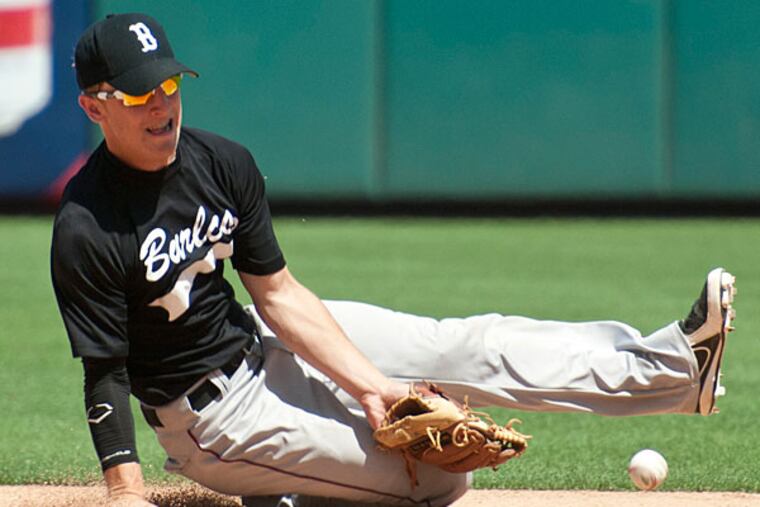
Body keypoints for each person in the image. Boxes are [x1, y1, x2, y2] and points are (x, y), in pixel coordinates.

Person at [50, 13, 737, 507]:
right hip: (208, 420)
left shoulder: (221, 161)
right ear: (93, 106)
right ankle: (281, 482)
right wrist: (125, 493)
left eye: (169, 84)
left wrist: (373, 385)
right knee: (441, 478)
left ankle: (675, 370)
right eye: (139, 94)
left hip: (259, 344)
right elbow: (105, 375)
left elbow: (280, 295)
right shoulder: (87, 224)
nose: (162, 104)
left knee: (464, 343)